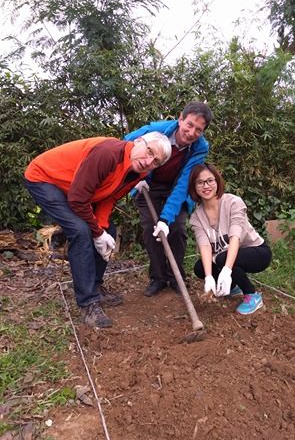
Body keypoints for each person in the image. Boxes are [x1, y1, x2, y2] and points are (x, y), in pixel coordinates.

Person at [24, 133, 172, 328]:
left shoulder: (139, 172)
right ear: (138, 142)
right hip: (45, 178)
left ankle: (95, 284)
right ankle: (88, 303)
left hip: (74, 188)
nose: (148, 161)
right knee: (80, 230)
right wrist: (96, 232)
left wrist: (102, 229)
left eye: (156, 161)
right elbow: (78, 199)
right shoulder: (108, 153)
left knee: (109, 228)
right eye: (149, 151)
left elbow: (108, 198)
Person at [124, 101, 213, 297]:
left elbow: (183, 184)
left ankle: (176, 277)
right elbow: (125, 146)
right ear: (180, 118)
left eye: (198, 130)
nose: (191, 133)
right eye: (189, 125)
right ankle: (158, 278)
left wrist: (165, 219)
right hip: (147, 184)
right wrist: (135, 179)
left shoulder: (200, 148)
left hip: (175, 188)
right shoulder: (156, 131)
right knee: (150, 228)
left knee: (178, 228)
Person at [188, 163, 272, 315]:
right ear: (194, 187)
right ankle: (233, 287)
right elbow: (205, 246)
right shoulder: (196, 217)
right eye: (200, 182)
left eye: (210, 180)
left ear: (217, 181)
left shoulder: (233, 202)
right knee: (200, 267)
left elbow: (235, 237)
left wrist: (226, 271)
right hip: (226, 256)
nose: (205, 186)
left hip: (256, 252)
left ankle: (252, 295)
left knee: (222, 259)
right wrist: (208, 277)